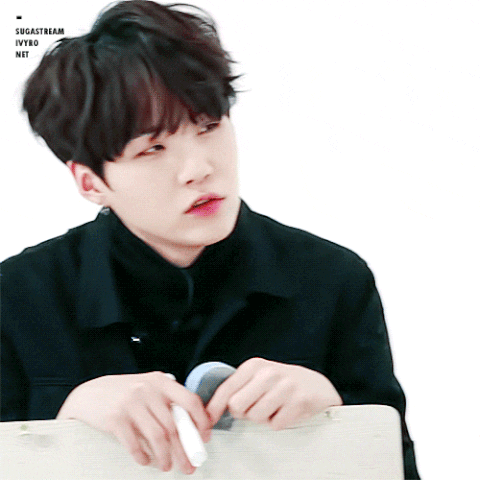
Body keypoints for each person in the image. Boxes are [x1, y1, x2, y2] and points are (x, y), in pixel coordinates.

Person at [1, 1, 420, 478]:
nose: (199, 169)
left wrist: (337, 413)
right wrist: (67, 415)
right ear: (90, 181)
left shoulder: (332, 280)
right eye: (153, 148)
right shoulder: (18, 297)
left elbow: (397, 467)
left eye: (209, 126)